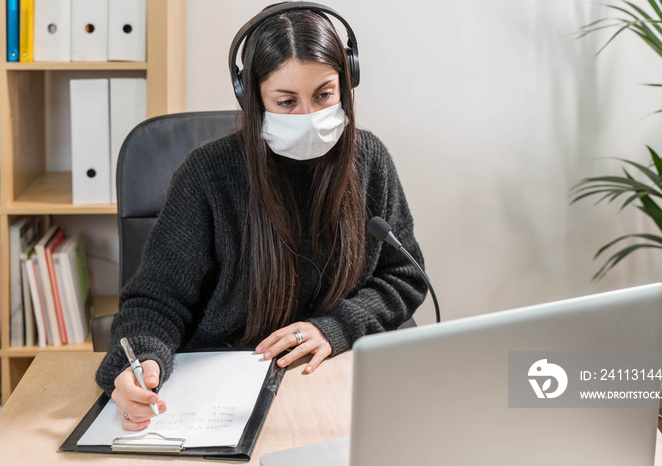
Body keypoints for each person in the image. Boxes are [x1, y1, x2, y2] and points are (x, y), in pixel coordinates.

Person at [95, 1, 427, 431]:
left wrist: (338, 326)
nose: (309, 117)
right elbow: (156, 300)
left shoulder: (369, 160)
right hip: (220, 389)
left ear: (347, 83)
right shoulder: (207, 175)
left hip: (329, 378)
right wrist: (138, 359)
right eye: (286, 101)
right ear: (252, 97)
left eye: (324, 95)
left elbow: (403, 276)